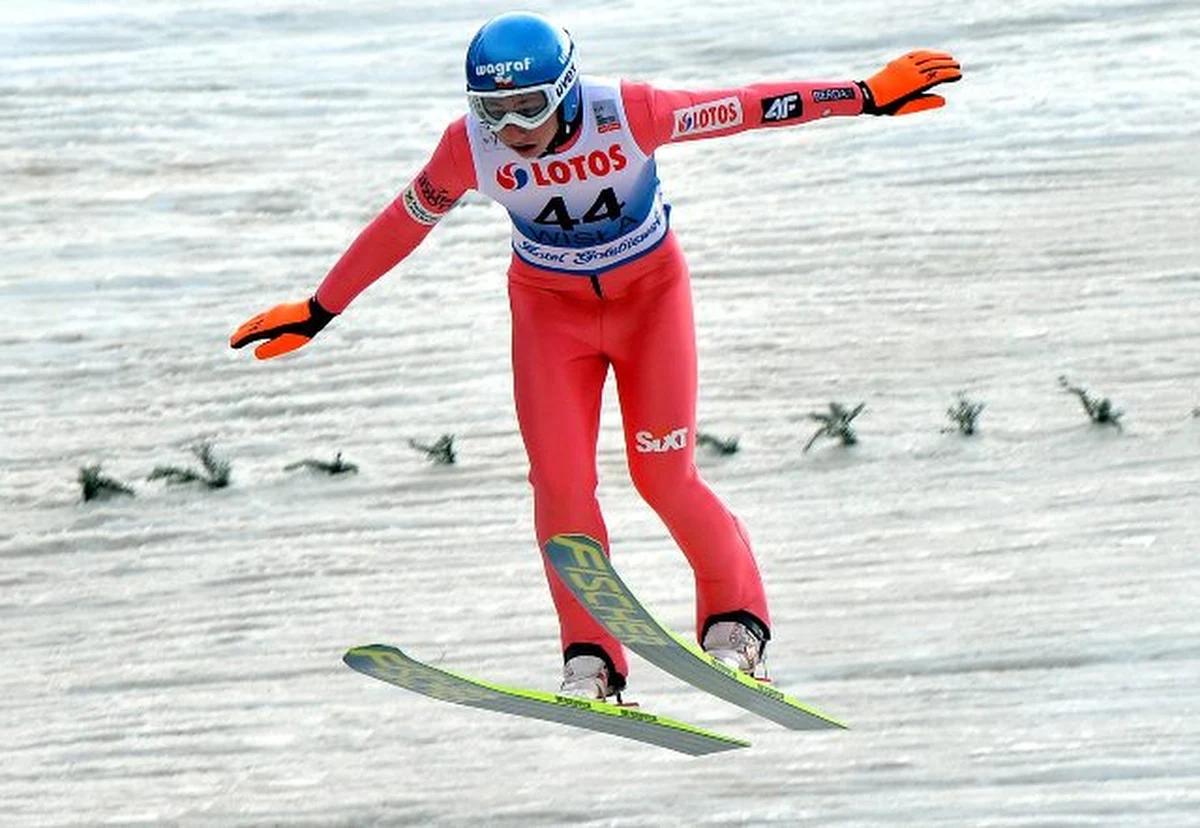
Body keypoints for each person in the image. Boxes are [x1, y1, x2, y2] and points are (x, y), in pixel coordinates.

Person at [231, 11, 962, 700]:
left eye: (529, 106)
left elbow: (747, 104)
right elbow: (403, 223)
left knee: (663, 475)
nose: (512, 129)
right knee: (560, 489)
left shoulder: (631, 112)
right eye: (495, 111)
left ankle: (736, 624)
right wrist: (321, 308)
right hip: (552, 317)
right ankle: (590, 658)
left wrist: (864, 97)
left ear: (568, 91)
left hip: (651, 302)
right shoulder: (466, 147)